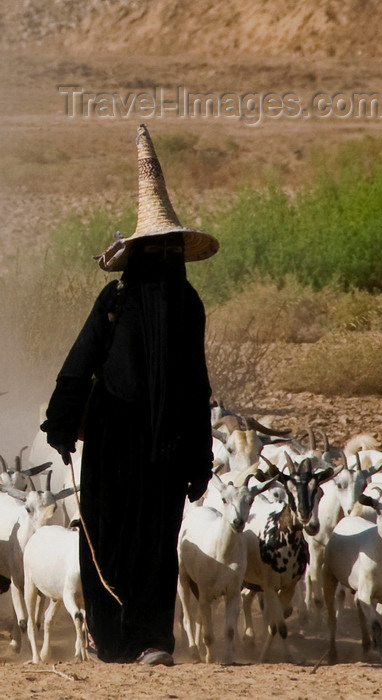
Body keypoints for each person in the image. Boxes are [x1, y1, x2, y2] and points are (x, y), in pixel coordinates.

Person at [40, 124, 219, 665]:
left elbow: (194, 382)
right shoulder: (128, 299)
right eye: (159, 249)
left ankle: (147, 641)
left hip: (157, 444)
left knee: (148, 543)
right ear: (145, 253)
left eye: (169, 249)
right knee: (120, 538)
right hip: (124, 439)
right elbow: (83, 361)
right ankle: (113, 639)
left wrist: (198, 454)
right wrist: (64, 420)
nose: (164, 258)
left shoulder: (184, 306)